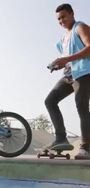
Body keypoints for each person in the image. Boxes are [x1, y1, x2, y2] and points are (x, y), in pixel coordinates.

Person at [45, 3, 90, 159]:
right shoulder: (63, 39)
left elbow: (89, 47)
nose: (61, 21)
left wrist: (66, 59)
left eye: (63, 16)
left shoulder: (80, 27)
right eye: (58, 19)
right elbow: (68, 60)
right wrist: (59, 64)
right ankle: (61, 138)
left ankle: (86, 147)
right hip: (69, 75)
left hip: (84, 72)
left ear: (72, 13)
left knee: (81, 107)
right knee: (50, 101)